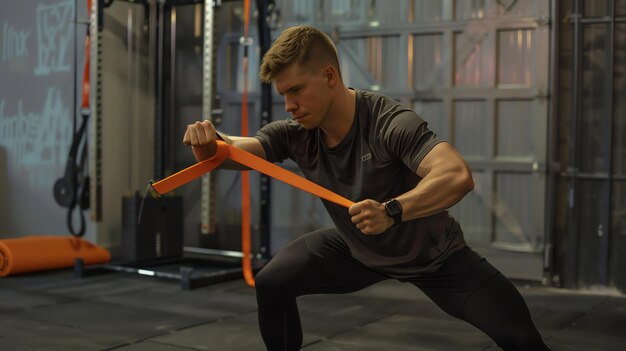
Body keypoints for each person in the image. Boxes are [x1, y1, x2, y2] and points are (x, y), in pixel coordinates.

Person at [183, 25, 551, 351]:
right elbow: (231, 151)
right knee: (271, 282)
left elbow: (456, 174)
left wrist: (392, 211)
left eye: (296, 90)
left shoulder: (390, 122)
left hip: (434, 258)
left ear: (329, 76)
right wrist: (208, 143)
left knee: (522, 341)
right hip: (356, 248)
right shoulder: (298, 134)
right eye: (283, 95)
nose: (289, 105)